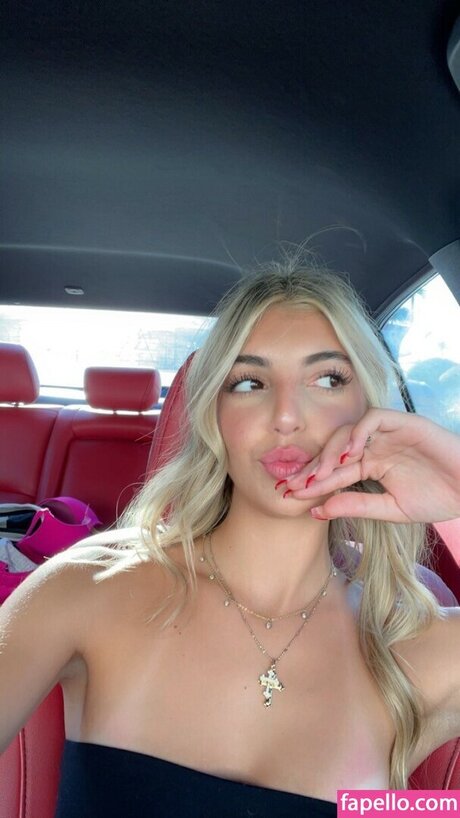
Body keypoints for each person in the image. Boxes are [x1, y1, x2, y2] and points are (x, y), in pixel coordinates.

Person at [1, 256, 460, 818]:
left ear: (369, 409)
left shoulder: (416, 646)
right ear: (213, 415)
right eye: (249, 383)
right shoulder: (88, 589)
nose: (286, 416)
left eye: (327, 379)